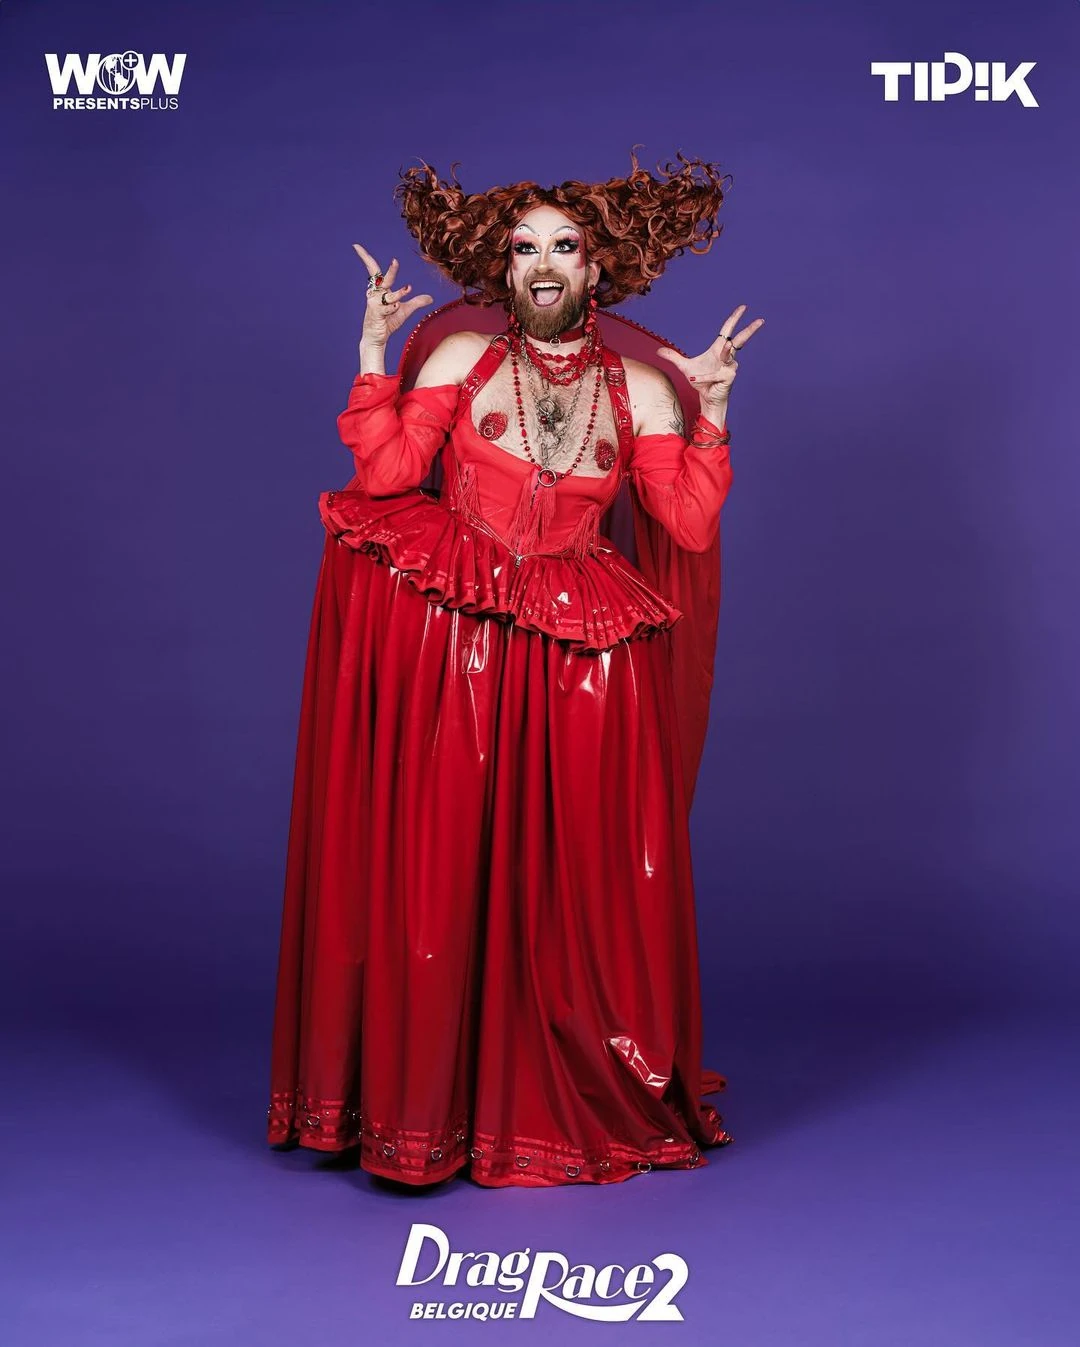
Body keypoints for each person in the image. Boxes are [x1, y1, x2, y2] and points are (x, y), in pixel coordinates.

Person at [266, 151, 764, 1189]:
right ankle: (427, 1107)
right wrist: (370, 349)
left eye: (564, 247)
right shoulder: (459, 360)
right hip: (457, 647)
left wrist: (712, 410)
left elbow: (685, 522)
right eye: (524, 247)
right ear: (502, 267)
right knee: (444, 873)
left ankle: (548, 1094)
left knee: (574, 883)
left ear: (597, 266)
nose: (543, 264)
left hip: (582, 655)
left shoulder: (643, 391)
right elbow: (387, 472)